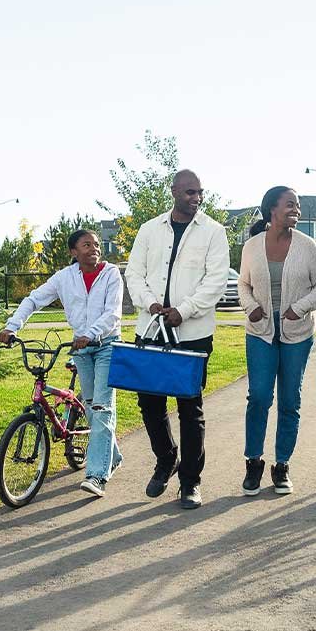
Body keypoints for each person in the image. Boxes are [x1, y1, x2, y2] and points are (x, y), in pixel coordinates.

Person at [124, 169, 230, 509]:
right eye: (189, 192)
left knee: (189, 407)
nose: (196, 198)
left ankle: (190, 482)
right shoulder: (149, 229)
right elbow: (134, 273)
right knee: (149, 402)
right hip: (152, 328)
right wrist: (150, 304)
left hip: (193, 333)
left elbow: (215, 281)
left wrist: (184, 310)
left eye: (199, 192)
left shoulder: (213, 231)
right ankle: (166, 458)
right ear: (173, 192)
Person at [0, 229, 124, 498]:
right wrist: (12, 327)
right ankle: (112, 456)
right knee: (91, 407)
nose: (94, 248)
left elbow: (112, 313)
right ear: (73, 252)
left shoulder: (111, 273)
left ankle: (97, 475)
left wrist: (90, 334)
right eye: (86, 245)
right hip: (81, 348)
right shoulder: (64, 277)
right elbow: (34, 299)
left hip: (107, 345)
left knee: (101, 408)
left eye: (96, 244)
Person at [236, 186, 316, 496]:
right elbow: (243, 284)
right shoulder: (252, 246)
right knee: (259, 397)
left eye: (297, 205)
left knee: (290, 400)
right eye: (290, 205)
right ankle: (253, 462)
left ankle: (282, 466)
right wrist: (250, 306)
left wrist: (299, 308)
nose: (296, 210)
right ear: (272, 209)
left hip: (297, 332)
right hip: (260, 331)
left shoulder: (308, 246)